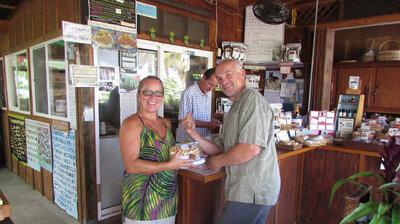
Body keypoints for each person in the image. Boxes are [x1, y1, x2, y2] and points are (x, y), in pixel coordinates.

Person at [180, 59, 281, 224]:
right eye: (219, 79)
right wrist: (192, 133)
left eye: (228, 75)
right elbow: (220, 147)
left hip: (252, 190)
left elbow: (250, 148)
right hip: (244, 190)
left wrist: (217, 162)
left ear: (242, 74)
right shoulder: (236, 105)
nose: (223, 81)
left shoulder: (252, 101)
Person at [119, 76, 193, 224]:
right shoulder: (132, 124)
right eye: (147, 92)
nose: (153, 97)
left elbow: (167, 154)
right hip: (141, 202)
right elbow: (132, 166)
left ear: (162, 97)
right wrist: (169, 166)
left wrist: (192, 152)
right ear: (139, 96)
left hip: (167, 198)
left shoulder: (166, 123)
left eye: (158, 93)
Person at [176, 68, 221, 143]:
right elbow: (183, 120)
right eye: (210, 84)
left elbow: (206, 112)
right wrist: (207, 125)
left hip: (204, 139)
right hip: (188, 140)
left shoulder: (208, 92)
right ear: (203, 78)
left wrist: (212, 120)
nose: (211, 88)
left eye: (214, 86)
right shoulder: (189, 93)